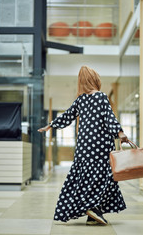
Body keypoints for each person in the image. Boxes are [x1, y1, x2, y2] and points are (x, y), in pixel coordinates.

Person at [38, 65, 128, 225]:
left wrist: (50, 125)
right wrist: (120, 134)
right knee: (103, 177)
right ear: (95, 80)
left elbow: (66, 116)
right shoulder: (101, 97)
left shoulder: (81, 100)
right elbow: (109, 118)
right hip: (100, 146)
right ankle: (92, 208)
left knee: (84, 178)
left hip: (84, 148)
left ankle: (92, 216)